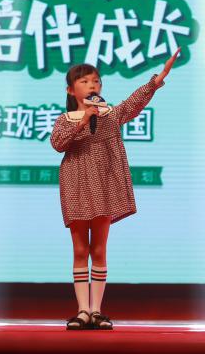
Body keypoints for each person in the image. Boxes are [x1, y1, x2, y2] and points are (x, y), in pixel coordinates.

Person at [51, 48, 181, 330]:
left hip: (104, 185)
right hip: (76, 184)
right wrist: (83, 120)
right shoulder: (65, 119)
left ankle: (96, 311)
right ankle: (82, 311)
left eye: (96, 81)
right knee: (80, 249)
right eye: (85, 81)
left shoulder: (111, 115)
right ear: (71, 90)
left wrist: (158, 77)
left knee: (99, 248)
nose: (92, 85)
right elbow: (58, 143)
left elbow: (134, 101)